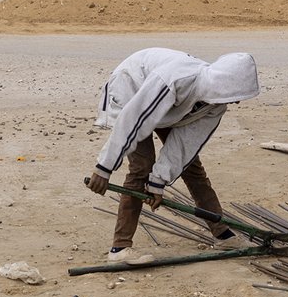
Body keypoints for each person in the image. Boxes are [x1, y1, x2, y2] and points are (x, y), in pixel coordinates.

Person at [85, 47, 262, 265]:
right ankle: (119, 248)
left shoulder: (217, 105)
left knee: (192, 167)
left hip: (169, 111)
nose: (236, 102)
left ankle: (222, 234)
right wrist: (104, 167)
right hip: (132, 92)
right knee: (142, 166)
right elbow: (135, 119)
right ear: (224, 84)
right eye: (236, 95)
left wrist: (158, 182)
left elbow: (186, 145)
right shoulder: (176, 79)